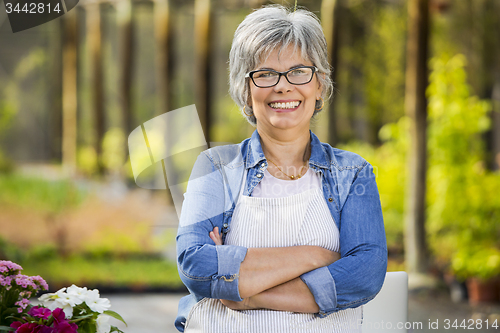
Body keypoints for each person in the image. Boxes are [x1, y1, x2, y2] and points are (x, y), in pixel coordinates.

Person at [175, 5, 387, 333]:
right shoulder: (216, 167)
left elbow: (365, 275)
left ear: (319, 85)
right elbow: (196, 266)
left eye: (299, 71)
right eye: (265, 73)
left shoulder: (352, 173)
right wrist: (316, 256)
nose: (283, 86)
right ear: (246, 90)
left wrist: (248, 293)